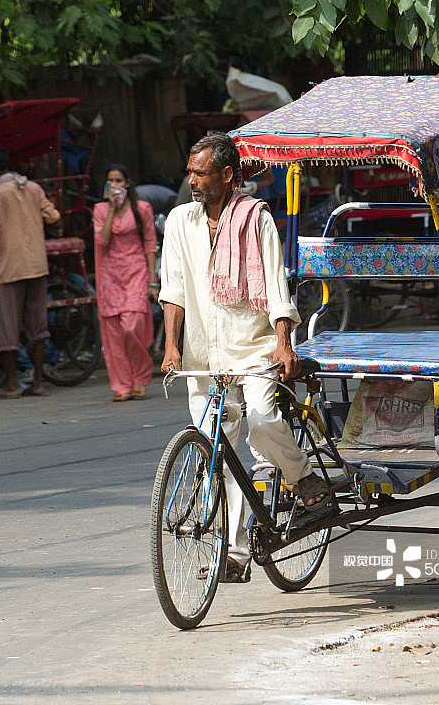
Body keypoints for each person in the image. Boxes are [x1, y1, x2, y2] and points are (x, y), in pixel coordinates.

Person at [159, 132, 329, 583]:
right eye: (190, 172)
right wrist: (171, 346)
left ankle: (302, 474)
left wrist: (283, 343)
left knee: (261, 417)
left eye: (201, 173)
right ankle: (234, 554)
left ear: (227, 176)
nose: (191, 180)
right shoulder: (179, 222)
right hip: (203, 354)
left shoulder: (255, 220)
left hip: (253, 346)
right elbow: (173, 289)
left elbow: (276, 285)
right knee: (219, 447)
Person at [0, 145, 61, 398]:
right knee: (38, 325)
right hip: (36, 264)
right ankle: (37, 382)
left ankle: (13, 385)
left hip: (10, 267)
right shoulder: (33, 188)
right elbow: (54, 217)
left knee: (8, 327)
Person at [93, 164, 158, 402]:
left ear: (128, 183)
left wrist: (153, 280)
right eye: (110, 181)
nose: (114, 185)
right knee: (113, 333)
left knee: (132, 326)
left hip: (136, 272)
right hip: (110, 275)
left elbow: (150, 243)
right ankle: (122, 385)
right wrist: (112, 208)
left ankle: (140, 375)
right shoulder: (100, 210)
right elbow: (103, 238)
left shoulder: (142, 208)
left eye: (119, 181)